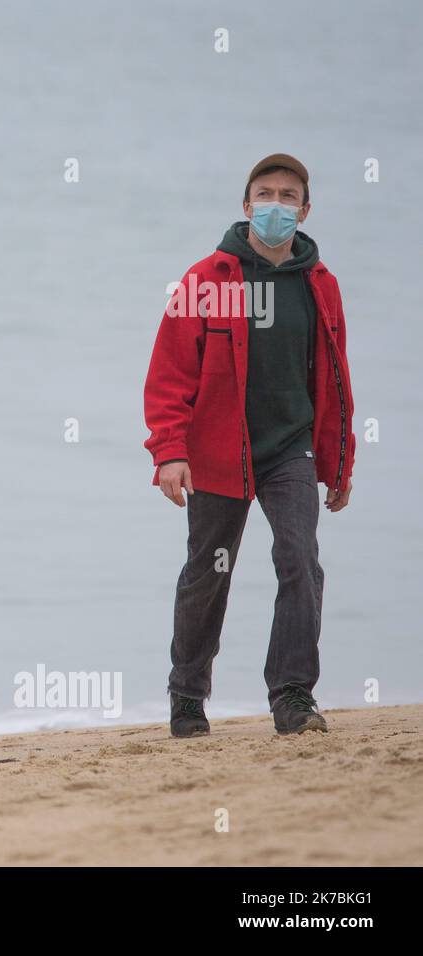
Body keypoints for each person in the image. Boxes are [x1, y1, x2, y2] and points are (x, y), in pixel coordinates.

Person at [143, 153, 356, 738]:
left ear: (305, 210)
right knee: (209, 571)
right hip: (217, 451)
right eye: (266, 194)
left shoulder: (320, 285)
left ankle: (292, 694)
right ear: (246, 205)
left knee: (300, 561)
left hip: (291, 449)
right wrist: (169, 451)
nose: (276, 206)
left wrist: (339, 463)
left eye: (289, 197)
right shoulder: (207, 280)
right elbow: (169, 373)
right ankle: (187, 695)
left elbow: (336, 379)